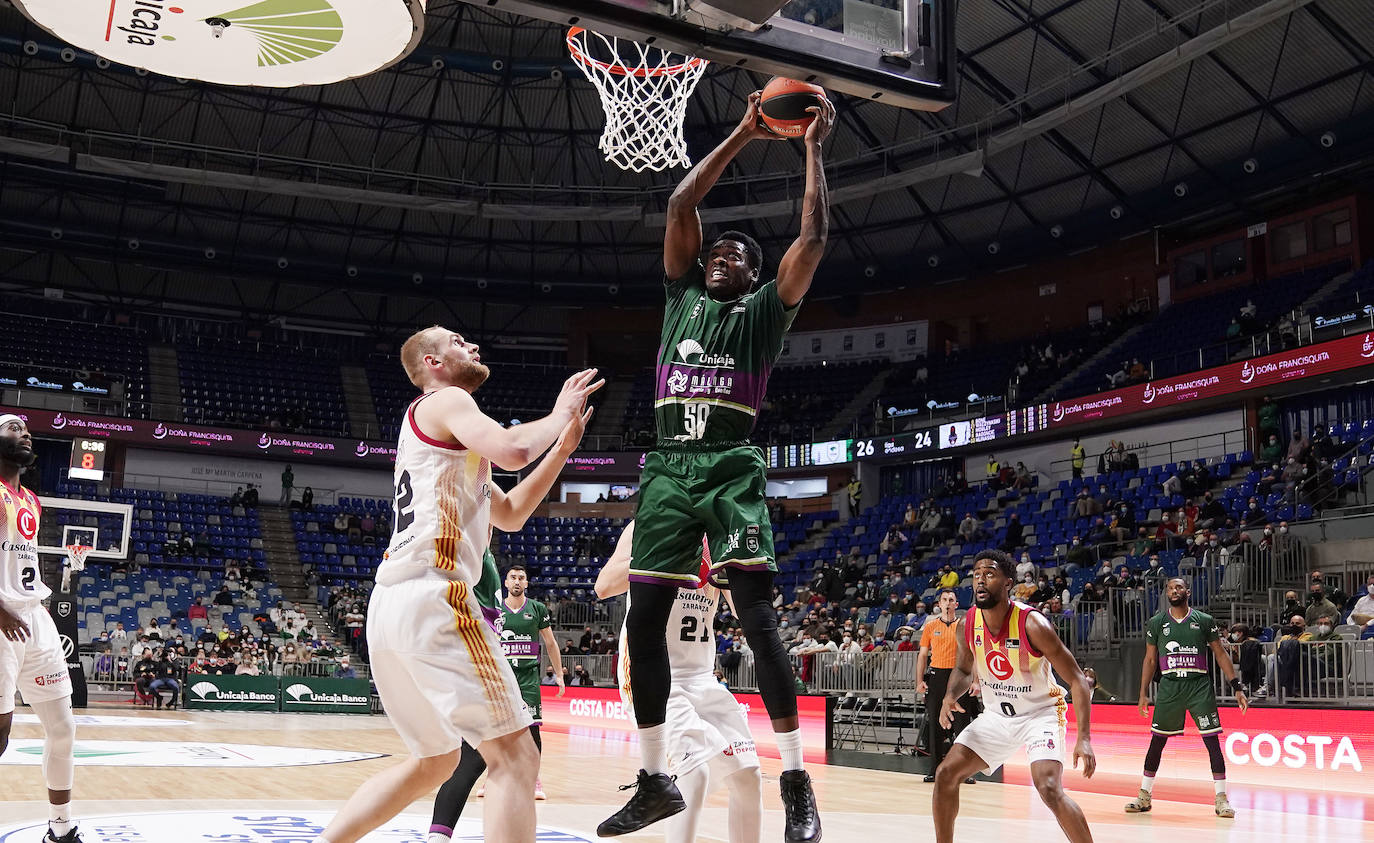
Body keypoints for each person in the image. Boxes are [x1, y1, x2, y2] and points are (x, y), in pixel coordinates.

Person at [603, 89, 833, 842]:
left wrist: (810, 148)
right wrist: (742, 129)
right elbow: (677, 203)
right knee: (641, 620)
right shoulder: (679, 298)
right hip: (669, 465)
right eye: (714, 253)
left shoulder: (764, 310)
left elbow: (813, 241)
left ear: (752, 272)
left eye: (735, 254)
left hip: (729, 465)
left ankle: (797, 780)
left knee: (761, 621)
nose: (719, 257)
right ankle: (652, 778)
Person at [312, 328, 602, 843]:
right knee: (516, 757)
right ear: (433, 362)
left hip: (392, 606)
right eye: (456, 340)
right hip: (436, 593)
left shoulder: (449, 441)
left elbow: (509, 514)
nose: (471, 344)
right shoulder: (447, 399)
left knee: (435, 760)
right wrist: (559, 413)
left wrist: (561, 450)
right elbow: (514, 449)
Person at [597, 522, 763, 843]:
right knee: (693, 775)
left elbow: (743, 610)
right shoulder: (644, 524)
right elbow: (604, 585)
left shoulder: (719, 535)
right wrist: (667, 557)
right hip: (652, 672)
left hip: (701, 675)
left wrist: (744, 570)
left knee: (748, 775)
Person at [933, 550, 1097, 843]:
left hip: (1040, 714)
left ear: (1008, 583)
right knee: (946, 774)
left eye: (990, 574)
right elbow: (962, 668)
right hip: (997, 716)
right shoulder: (967, 624)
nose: (981, 581)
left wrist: (1083, 737)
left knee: (1048, 788)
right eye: (977, 575)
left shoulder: (1033, 624)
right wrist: (949, 696)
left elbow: (1077, 680)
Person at [430, 561, 565, 842]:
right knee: (473, 759)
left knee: (526, 743)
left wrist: (559, 675)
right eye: (513, 577)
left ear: (526, 583)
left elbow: (551, 643)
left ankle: (439, 834)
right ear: (506, 582)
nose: (517, 581)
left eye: (522, 577)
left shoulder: (536, 609)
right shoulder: (485, 586)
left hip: (523, 682)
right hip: (494, 678)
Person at [0, 415, 84, 843]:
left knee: (63, 727)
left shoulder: (30, 499)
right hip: (1, 618)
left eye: (27, 431)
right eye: (14, 429)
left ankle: (62, 828)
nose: (25, 434)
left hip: (35, 616)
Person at [1126, 577, 1248, 819]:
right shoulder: (1157, 622)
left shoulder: (1203, 620)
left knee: (1212, 741)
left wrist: (1236, 686)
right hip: (1170, 687)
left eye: (1179, 587)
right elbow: (1150, 660)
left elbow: (1221, 654)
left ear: (1188, 592)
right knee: (1157, 742)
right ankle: (1144, 795)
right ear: (1166, 593)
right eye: (1170, 588)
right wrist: (1142, 693)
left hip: (1198, 685)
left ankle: (1221, 799)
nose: (1174, 591)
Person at [916, 589, 977, 784]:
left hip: (959, 676)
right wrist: (919, 681)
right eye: (944, 600)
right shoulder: (931, 626)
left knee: (962, 724)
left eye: (951, 600)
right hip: (937, 676)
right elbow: (923, 656)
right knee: (935, 723)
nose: (948, 602)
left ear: (957, 604)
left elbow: (974, 654)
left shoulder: (964, 626)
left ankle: (964, 771)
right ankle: (935, 768)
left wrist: (975, 680)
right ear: (939, 604)